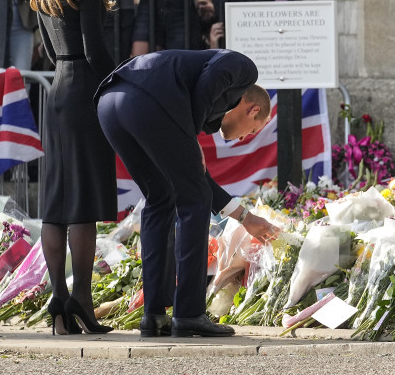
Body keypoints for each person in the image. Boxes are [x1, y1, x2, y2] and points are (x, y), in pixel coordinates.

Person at [95, 48, 280, 337]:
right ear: (252, 109)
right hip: (147, 98)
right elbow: (215, 74)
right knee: (194, 201)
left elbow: (196, 177)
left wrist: (244, 217)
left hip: (110, 101)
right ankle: (190, 313)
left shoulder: (199, 108)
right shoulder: (245, 69)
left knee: (161, 196)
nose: (245, 138)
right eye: (253, 130)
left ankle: (154, 314)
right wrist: (190, 138)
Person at [29, 0, 123, 335]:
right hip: (86, 90)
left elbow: (51, 51)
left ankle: (57, 299)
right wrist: (123, 79)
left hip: (57, 91)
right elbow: (95, 51)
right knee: (83, 200)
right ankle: (81, 298)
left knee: (56, 203)